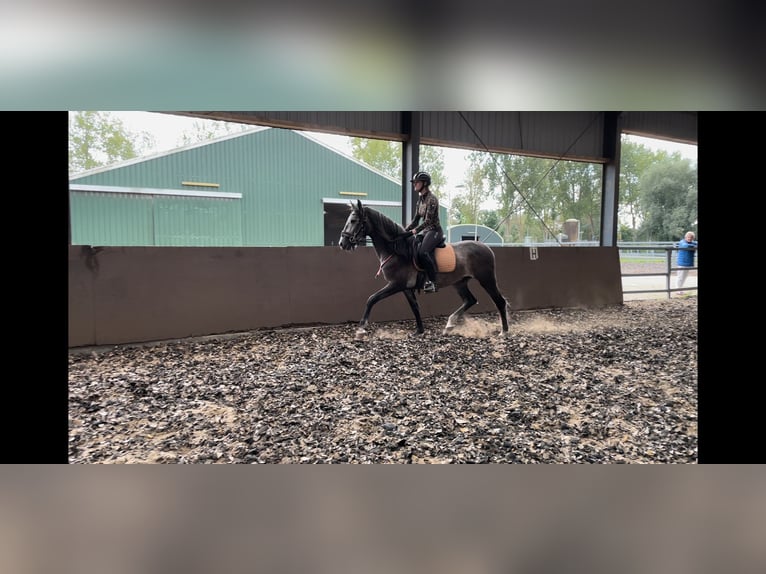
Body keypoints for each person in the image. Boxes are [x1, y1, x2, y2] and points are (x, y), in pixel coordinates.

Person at [405, 171, 444, 293]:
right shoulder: (420, 201)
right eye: (414, 182)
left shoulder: (432, 200)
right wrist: (404, 231)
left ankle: (433, 282)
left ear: (425, 183)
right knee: (413, 246)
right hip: (426, 232)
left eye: (417, 182)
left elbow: (428, 221)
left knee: (423, 252)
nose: (414, 184)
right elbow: (416, 220)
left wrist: (415, 231)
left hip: (435, 231)